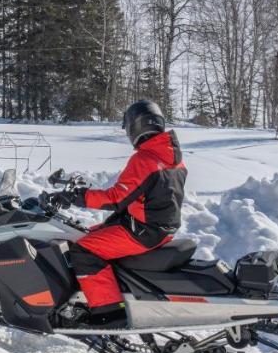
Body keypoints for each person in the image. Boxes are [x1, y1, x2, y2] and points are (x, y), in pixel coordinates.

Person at [53, 100, 187, 329]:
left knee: (83, 250)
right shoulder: (172, 158)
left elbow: (116, 197)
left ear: (134, 127)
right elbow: (145, 196)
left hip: (143, 232)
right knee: (85, 233)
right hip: (158, 228)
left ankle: (108, 313)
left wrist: (78, 198)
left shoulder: (145, 159)